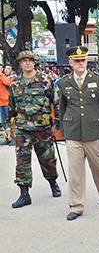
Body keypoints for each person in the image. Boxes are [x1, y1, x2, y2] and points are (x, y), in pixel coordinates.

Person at [58, 46, 99, 221]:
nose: (80, 63)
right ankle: (76, 206)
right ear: (71, 63)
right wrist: (62, 130)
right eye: (77, 61)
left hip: (94, 132)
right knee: (75, 172)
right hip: (73, 133)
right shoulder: (63, 82)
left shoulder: (98, 80)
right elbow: (62, 108)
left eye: (83, 60)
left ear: (86, 61)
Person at [7, 50, 61, 208]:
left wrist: (56, 123)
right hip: (23, 129)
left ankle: (53, 182)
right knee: (22, 162)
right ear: (20, 64)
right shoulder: (15, 83)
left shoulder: (45, 79)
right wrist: (9, 126)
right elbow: (12, 107)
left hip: (42, 128)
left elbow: (56, 102)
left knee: (48, 160)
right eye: (24, 61)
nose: (27, 63)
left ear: (34, 62)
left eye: (30, 60)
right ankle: (24, 194)